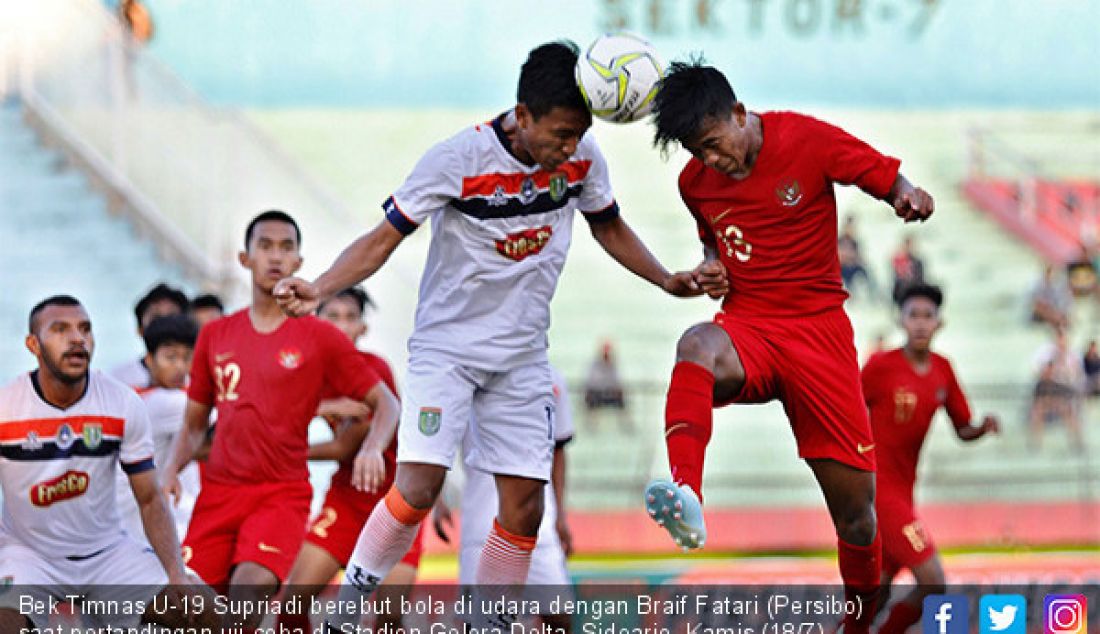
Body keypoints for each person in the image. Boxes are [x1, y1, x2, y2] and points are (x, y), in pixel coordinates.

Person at [274, 41, 726, 630]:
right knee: (416, 488)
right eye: (560, 133)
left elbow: (609, 226)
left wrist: (667, 278)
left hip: (520, 359)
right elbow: (382, 238)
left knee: (524, 508)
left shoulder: (582, 159)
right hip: (448, 351)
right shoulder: (457, 159)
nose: (569, 147)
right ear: (522, 115)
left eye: (579, 133)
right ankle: (349, 605)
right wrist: (323, 286)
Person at [641, 59, 934, 634]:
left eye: (713, 145)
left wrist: (906, 193)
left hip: (820, 336)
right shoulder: (694, 185)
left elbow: (877, 173)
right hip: (750, 326)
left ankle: (855, 627)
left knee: (856, 519)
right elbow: (714, 248)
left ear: (739, 114)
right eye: (696, 153)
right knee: (695, 343)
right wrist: (711, 267)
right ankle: (685, 492)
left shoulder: (805, 138)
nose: (710, 162)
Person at [161, 210, 400, 631]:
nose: (275, 256)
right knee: (186, 615)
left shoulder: (320, 337)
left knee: (245, 599)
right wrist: (170, 470)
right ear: (244, 258)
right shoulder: (216, 336)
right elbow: (195, 423)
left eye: (286, 247)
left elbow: (386, 404)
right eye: (265, 246)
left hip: (279, 496)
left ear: (299, 263)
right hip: (218, 497)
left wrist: (372, 446)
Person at [0, 296, 216, 632]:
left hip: (107, 555)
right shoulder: (7, 409)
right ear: (33, 345)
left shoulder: (121, 402)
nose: (77, 339)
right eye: (60, 330)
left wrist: (176, 575)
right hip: (31, 557)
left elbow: (149, 498)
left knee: (208, 613)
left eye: (85, 329)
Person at [276, 286, 424, 633]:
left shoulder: (375, 370)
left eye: (351, 317)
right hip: (346, 501)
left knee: (387, 618)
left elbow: (345, 447)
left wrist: (285, 453)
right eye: (333, 316)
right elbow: (277, 419)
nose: (342, 326)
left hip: (395, 502)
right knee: (292, 607)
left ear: (363, 328)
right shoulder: (306, 375)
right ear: (317, 323)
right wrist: (323, 407)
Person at [860, 283, 1000, 634]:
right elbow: (848, 411)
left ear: (940, 323)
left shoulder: (943, 370)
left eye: (928, 316)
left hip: (906, 491)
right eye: (913, 316)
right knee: (933, 581)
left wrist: (981, 428)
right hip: (879, 491)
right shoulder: (880, 367)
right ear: (900, 321)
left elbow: (962, 427)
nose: (921, 323)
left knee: (876, 592)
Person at [433, 365, 576, 633]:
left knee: (559, 618)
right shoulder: (465, 376)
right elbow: (439, 444)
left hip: (539, 526)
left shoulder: (551, 377)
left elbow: (558, 450)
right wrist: (437, 499)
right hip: (481, 527)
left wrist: (561, 516)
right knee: (477, 622)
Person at [115, 313, 203, 544]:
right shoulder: (165, 402)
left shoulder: (133, 394)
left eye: (187, 358)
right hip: (140, 524)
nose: (180, 368)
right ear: (149, 360)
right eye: (170, 357)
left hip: (132, 519)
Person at [109, 282, 189, 388]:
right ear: (140, 330)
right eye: (156, 318)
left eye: (172, 317)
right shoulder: (117, 381)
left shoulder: (205, 379)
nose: (165, 326)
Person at [1028, 326, 1086, 451]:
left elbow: (1075, 377)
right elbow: (1039, 373)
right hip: (1047, 390)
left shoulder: (1074, 355)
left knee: (1070, 410)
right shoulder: (1045, 353)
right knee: (1037, 410)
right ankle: (1036, 445)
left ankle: (1077, 444)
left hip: (1064, 390)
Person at [582, 340, 632, 431]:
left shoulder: (613, 365)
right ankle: (591, 426)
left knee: (621, 400)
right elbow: (592, 383)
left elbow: (617, 382)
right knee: (592, 399)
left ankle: (627, 426)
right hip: (597, 394)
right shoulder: (594, 365)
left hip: (609, 394)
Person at [838, 215, 877, 300]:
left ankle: (871, 295)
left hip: (852, 266)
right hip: (842, 267)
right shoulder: (840, 239)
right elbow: (838, 255)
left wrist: (856, 258)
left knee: (865, 271)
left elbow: (858, 256)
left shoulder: (854, 242)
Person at [1028, 264, 1073, 329]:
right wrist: (1053, 316)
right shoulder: (1037, 286)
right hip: (1040, 319)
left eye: (1054, 273)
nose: (1052, 275)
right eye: (1049, 272)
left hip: (1058, 316)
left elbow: (1066, 305)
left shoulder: (1062, 287)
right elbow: (1037, 306)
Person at [890, 235, 925, 306]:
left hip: (915, 291)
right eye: (908, 245)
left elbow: (920, 279)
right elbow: (897, 276)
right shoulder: (899, 259)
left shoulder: (918, 262)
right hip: (902, 292)